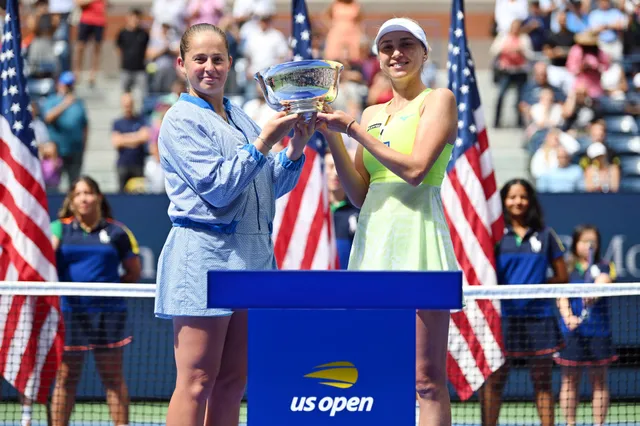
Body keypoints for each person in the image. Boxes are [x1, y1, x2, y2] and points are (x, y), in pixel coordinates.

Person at [153, 23, 315, 426]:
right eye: (200, 59)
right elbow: (220, 189)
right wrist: (264, 143)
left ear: (230, 63)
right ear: (181, 64)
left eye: (218, 58)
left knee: (232, 381)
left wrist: (294, 149)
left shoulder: (240, 115)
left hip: (254, 259)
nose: (210, 67)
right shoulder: (178, 120)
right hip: (205, 259)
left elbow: (263, 186)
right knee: (197, 379)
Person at [316, 17, 459, 426]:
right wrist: (333, 137)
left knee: (427, 380)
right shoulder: (372, 112)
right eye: (387, 46)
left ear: (424, 52)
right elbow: (359, 194)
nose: (396, 53)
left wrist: (355, 130)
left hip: (421, 244)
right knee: (375, 372)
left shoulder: (439, 99)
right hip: (374, 245)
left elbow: (415, 170)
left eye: (406, 44)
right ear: (378, 57)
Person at [50, 176, 141, 426]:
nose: (83, 198)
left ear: (99, 196)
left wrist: (106, 293)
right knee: (66, 378)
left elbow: (133, 271)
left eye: (88, 192)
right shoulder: (59, 228)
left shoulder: (117, 231)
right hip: (70, 313)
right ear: (71, 199)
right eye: (78, 194)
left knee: (112, 378)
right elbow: (47, 254)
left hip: (108, 314)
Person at [479, 178, 568, 426]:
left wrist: (536, 287)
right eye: (512, 197)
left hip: (538, 319)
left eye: (523, 196)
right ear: (503, 202)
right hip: (502, 319)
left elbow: (563, 276)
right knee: (495, 380)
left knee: (542, 381)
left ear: (530, 201)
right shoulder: (494, 236)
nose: (518, 201)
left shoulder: (545, 235)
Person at [556, 224, 617, 426]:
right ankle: (570, 423)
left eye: (593, 241)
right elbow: (561, 295)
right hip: (572, 332)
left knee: (599, 381)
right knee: (569, 381)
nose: (589, 245)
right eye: (584, 241)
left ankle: (599, 424)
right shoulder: (567, 266)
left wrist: (595, 292)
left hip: (598, 332)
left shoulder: (605, 265)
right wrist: (568, 316)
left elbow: (605, 280)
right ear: (575, 243)